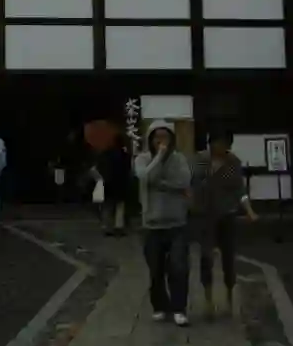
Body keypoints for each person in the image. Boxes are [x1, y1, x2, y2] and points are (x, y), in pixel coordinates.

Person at [189, 128, 258, 318]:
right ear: (211, 143)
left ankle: (229, 299)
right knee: (206, 258)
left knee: (229, 258)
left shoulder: (233, 162)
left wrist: (249, 211)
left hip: (227, 215)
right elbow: (193, 183)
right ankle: (208, 301)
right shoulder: (200, 160)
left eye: (225, 144)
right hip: (205, 215)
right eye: (217, 143)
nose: (221, 147)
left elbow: (239, 190)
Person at [133, 121, 192, 325]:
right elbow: (144, 176)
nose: (161, 141)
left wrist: (160, 184)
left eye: (165, 136)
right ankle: (160, 306)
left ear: (172, 139)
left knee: (178, 267)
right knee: (155, 269)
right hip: (152, 224)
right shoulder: (142, 159)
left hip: (177, 223)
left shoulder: (179, 159)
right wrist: (158, 157)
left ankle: (179, 308)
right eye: (156, 137)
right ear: (150, 139)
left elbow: (183, 182)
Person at [94, 130, 132, 236]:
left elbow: (99, 167)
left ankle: (107, 227)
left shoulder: (106, 154)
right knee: (120, 205)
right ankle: (118, 226)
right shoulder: (125, 155)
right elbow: (128, 170)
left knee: (107, 205)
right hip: (121, 183)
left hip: (108, 182)